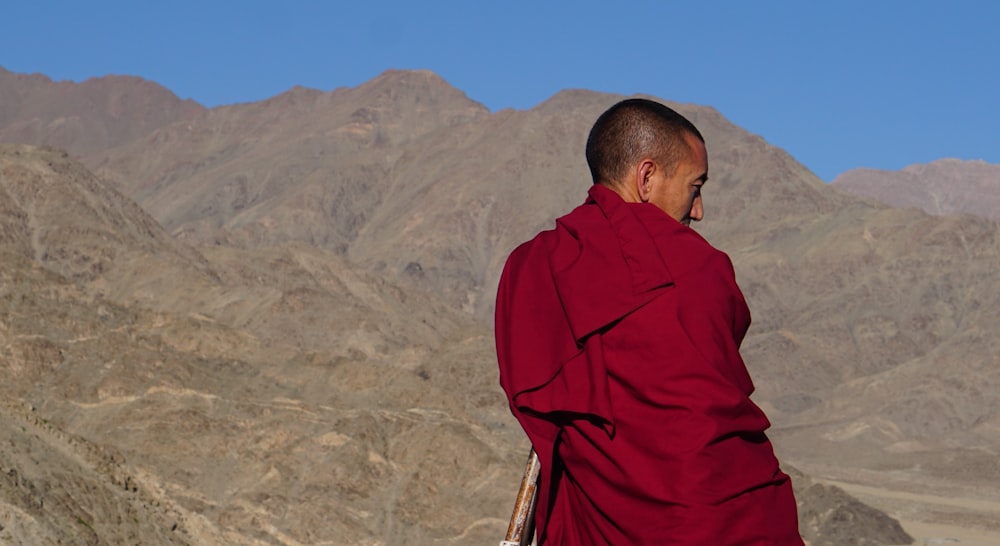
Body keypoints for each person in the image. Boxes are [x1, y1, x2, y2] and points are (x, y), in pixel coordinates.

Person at [495, 98, 803, 545]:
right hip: (718, 525)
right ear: (646, 177)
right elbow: (707, 409)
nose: (697, 210)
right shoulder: (698, 267)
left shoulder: (533, 266)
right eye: (695, 187)